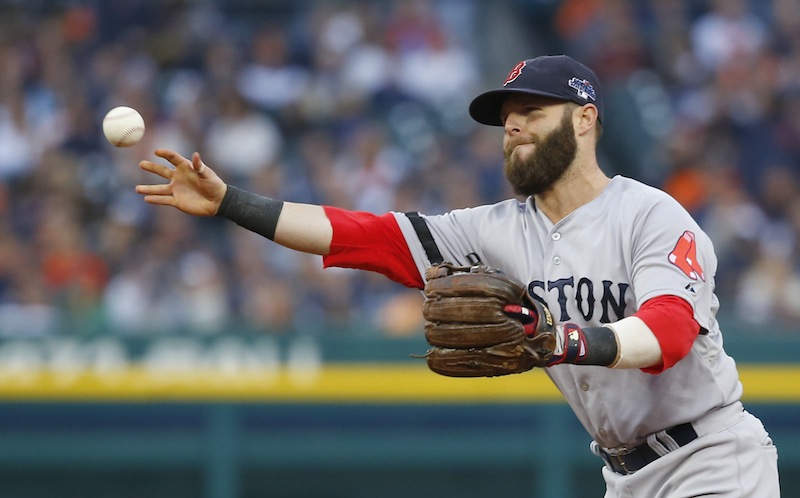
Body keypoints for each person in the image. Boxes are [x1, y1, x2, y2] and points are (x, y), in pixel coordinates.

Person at [135, 55, 780, 497]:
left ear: (585, 119)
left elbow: (667, 332)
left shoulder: (650, 214)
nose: (513, 124)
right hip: (622, 475)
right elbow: (367, 237)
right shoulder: (493, 229)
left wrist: (562, 340)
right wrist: (229, 203)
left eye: (533, 109)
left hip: (713, 462)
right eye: (506, 116)